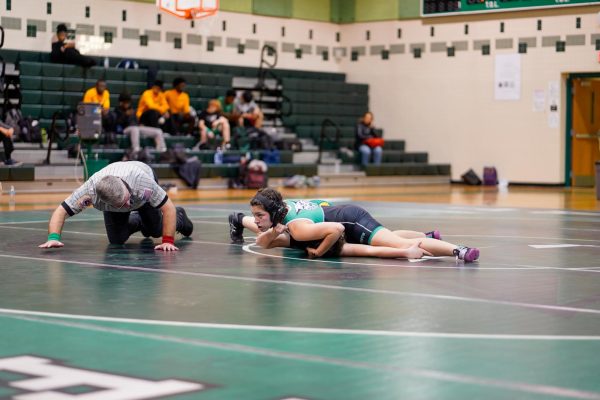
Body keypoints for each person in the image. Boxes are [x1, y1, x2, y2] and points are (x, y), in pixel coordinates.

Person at [228, 188, 479, 262]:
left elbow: (336, 230)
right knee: (385, 235)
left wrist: (318, 252)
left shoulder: (297, 228)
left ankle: (458, 250)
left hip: (350, 222)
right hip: (342, 215)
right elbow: (320, 202)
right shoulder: (285, 206)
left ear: (274, 212)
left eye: (259, 215)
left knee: (397, 242)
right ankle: (428, 235)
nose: (258, 220)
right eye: (254, 216)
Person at [38, 161, 193, 251]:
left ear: (126, 187)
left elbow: (168, 208)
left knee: (156, 231)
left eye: (126, 200)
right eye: (122, 205)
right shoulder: (89, 193)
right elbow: (61, 211)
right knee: (116, 240)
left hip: (142, 192)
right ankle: (140, 220)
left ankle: (180, 218)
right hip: (118, 197)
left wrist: (168, 241)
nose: (127, 205)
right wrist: (53, 237)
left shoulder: (141, 182)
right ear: (105, 201)